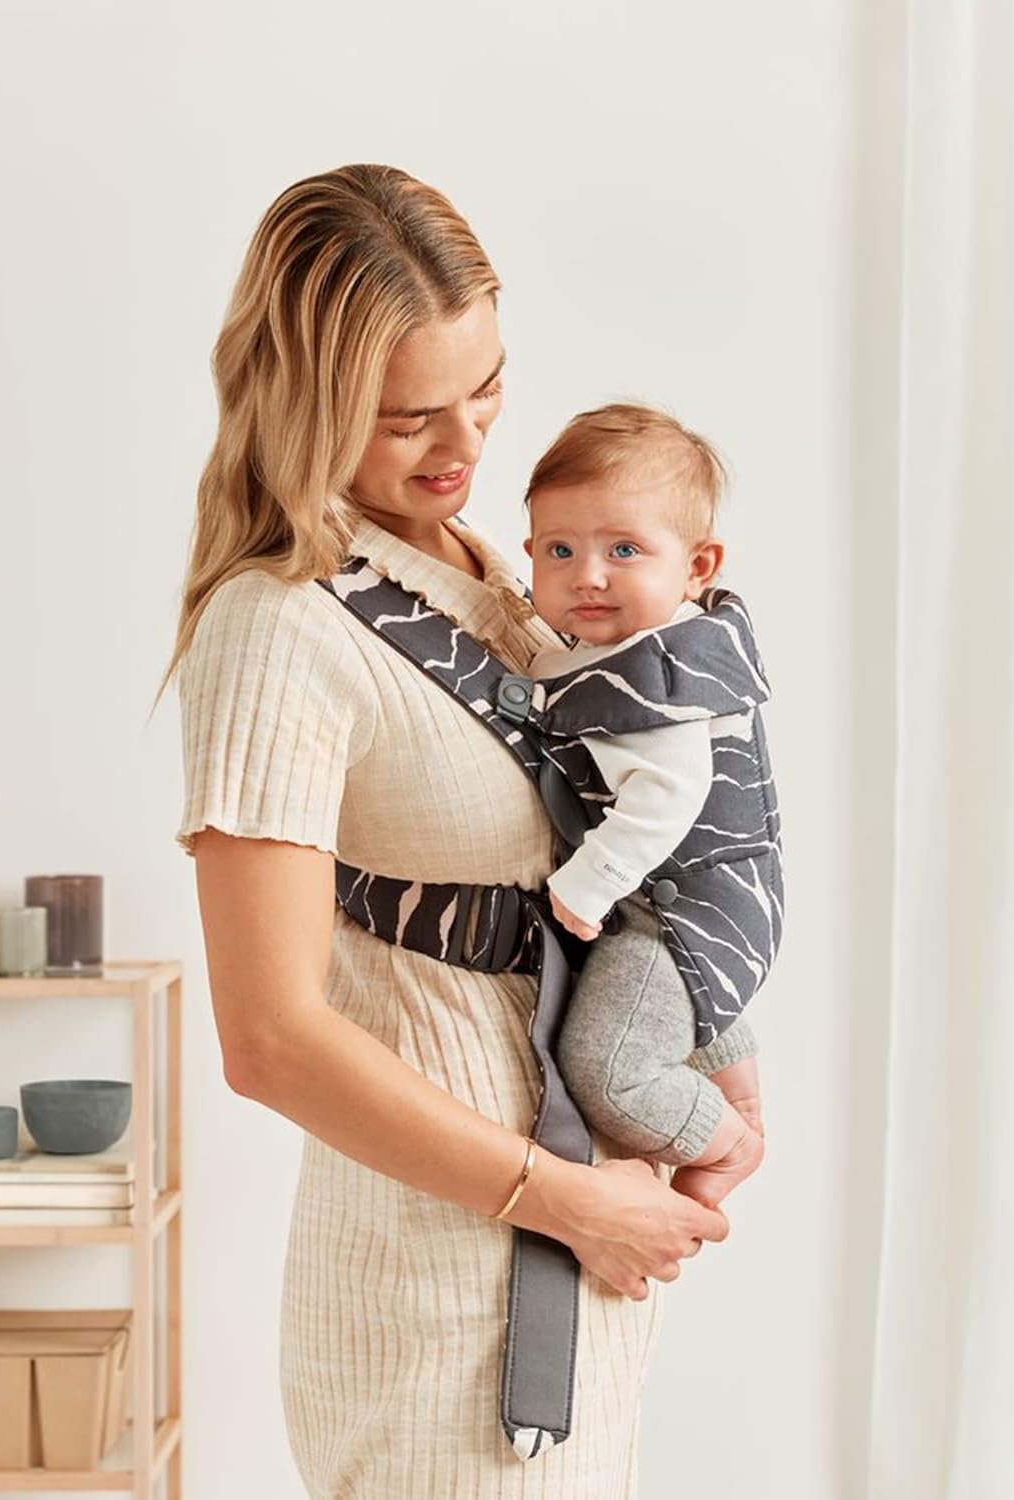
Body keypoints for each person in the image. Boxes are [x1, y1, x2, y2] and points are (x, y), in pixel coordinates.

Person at [160, 163, 736, 1498]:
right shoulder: (279, 628)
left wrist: (713, 1081)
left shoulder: (486, 570)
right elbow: (269, 1038)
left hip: (579, 1239)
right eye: (409, 417)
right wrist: (571, 1201)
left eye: (485, 389)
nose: (464, 445)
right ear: (303, 406)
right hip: (445, 1284)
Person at [521, 403, 775, 1209]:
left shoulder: (652, 674)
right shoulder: (637, 644)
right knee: (648, 993)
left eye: (623, 550)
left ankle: (727, 1143)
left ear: (697, 566)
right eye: (560, 550)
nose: (587, 575)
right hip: (709, 905)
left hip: (681, 911)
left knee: (608, 1069)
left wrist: (585, 885)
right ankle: (734, 1097)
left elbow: (668, 796)